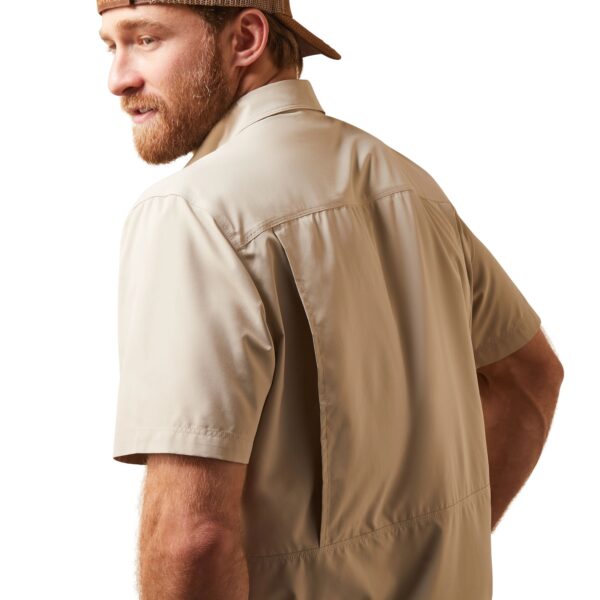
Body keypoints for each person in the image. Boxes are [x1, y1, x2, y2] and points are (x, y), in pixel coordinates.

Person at [98, 1, 565, 598]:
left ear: (246, 38)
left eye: (145, 39)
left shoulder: (193, 214)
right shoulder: (410, 185)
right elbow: (533, 378)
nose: (119, 78)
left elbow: (192, 539)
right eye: (110, 46)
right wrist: (445, 549)